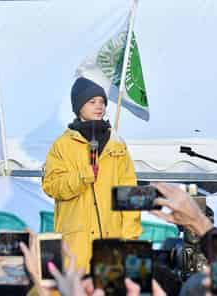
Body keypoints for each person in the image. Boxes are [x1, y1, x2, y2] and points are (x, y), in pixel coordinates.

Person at [42, 77, 142, 272]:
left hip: (112, 246)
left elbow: (130, 195)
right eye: (92, 102)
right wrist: (83, 176)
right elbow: (52, 186)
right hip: (76, 249)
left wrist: (130, 239)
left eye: (102, 102)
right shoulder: (62, 145)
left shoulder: (117, 145)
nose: (99, 107)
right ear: (79, 107)